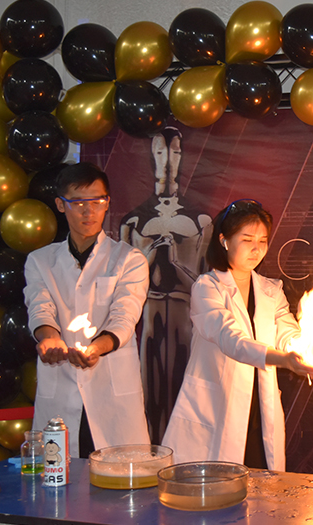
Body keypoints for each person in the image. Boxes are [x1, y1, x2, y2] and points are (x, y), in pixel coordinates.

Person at [162, 199, 313, 468]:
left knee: (262, 482)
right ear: (224, 241)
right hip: (216, 408)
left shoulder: (271, 289)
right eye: (247, 240)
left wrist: (303, 347)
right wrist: (283, 360)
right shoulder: (207, 287)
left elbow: (287, 331)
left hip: (259, 409)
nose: (257, 249)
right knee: (217, 484)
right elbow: (231, 339)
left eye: (263, 240)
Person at [24, 162, 149, 459]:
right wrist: (50, 338)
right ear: (60, 205)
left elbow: (125, 316)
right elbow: (40, 307)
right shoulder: (40, 261)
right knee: (58, 472)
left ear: (107, 203)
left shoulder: (129, 259)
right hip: (61, 387)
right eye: (78, 202)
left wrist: (96, 348)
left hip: (111, 387)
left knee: (120, 475)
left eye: (97, 201)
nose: (88, 211)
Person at [120, 127, 213, 444]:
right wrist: (149, 258)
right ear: (151, 156)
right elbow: (123, 285)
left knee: (185, 389)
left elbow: (206, 285)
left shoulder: (201, 221)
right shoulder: (133, 221)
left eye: (174, 152)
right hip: (148, 314)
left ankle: (185, 453)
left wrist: (174, 262)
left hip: (186, 316)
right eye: (160, 152)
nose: (168, 161)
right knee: (149, 391)